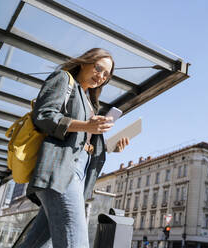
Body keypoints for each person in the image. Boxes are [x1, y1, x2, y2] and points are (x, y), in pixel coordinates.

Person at [17, 48, 129, 248]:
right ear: (85, 62)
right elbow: (43, 115)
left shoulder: (90, 101)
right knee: (76, 242)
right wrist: (87, 125)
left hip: (78, 174)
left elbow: (82, 144)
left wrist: (111, 147)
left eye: (106, 74)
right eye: (98, 68)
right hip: (60, 171)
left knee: (38, 243)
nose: (101, 76)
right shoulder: (63, 79)